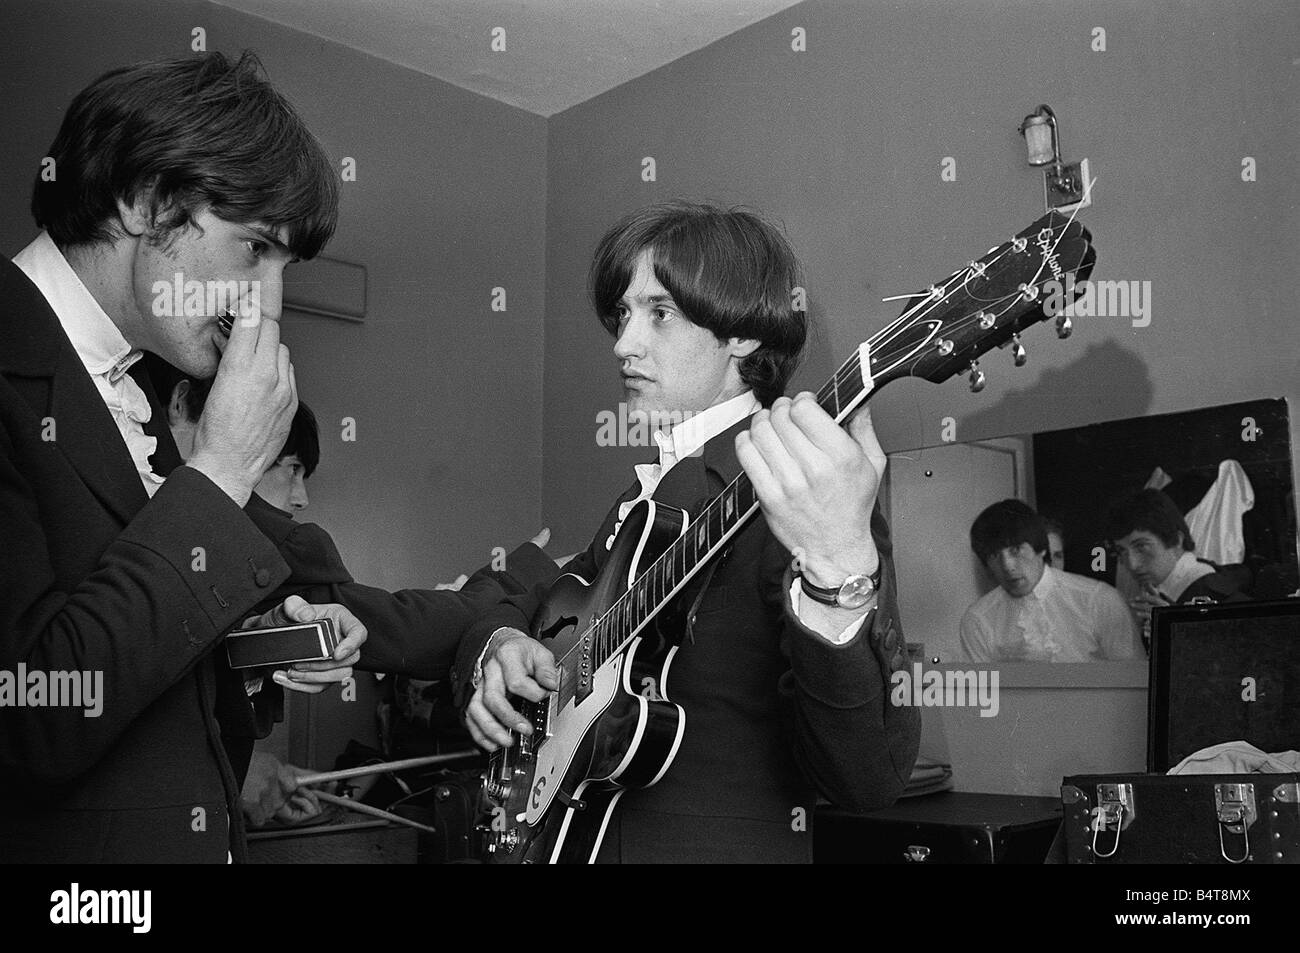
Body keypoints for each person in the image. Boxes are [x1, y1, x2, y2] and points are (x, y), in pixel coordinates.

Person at [456, 201, 919, 863]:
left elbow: (868, 777)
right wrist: (498, 650)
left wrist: (839, 564)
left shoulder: (805, 494)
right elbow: (530, 609)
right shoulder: (642, 500)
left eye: (659, 313)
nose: (622, 343)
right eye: (622, 314)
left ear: (745, 332)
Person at [0, 52, 368, 863]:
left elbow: (119, 626)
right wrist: (223, 471)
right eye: (253, 251)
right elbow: (28, 718)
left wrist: (256, 640)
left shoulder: (129, 386)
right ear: (146, 202)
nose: (265, 302)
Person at [151, 362, 562, 825]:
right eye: (288, 466)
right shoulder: (261, 536)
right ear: (181, 405)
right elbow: (405, 631)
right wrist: (525, 581)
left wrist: (243, 771)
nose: (300, 496)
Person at [959, 500, 1141, 662]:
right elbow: (982, 697)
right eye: (994, 555)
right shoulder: (978, 620)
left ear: (1041, 549)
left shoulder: (1098, 599)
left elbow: (1133, 682)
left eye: (1016, 550)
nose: (1008, 566)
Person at [1105, 488, 1247, 643]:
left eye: (1141, 547)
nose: (1132, 564)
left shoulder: (1216, 597)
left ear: (1176, 540)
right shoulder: (1157, 595)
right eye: (1122, 552)